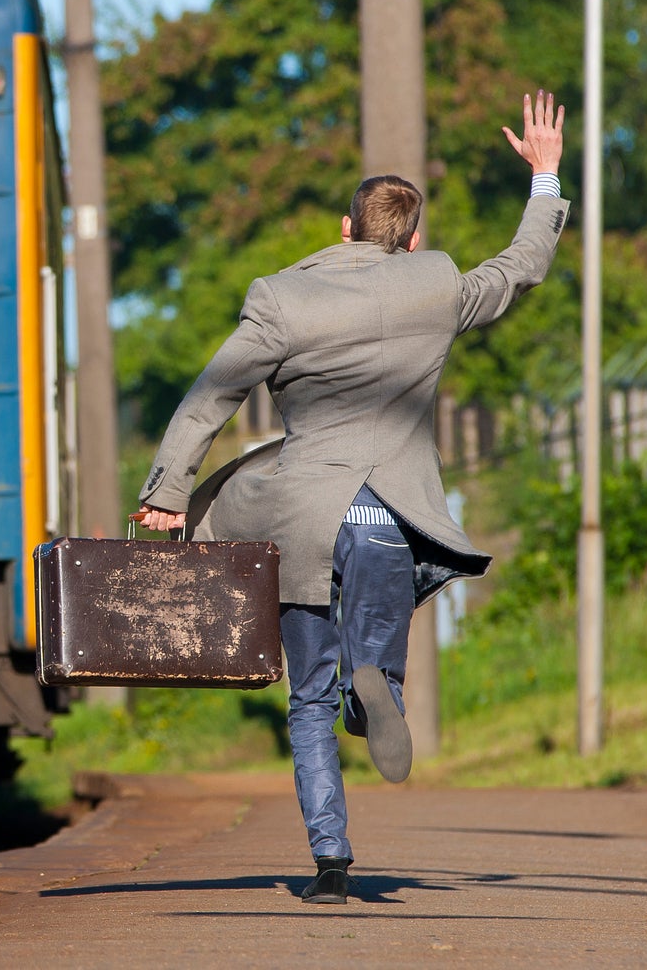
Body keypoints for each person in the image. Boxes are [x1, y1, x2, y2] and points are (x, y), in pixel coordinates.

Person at [135, 90, 568, 905]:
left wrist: (168, 491)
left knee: (304, 700)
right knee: (373, 654)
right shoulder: (434, 285)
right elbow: (520, 270)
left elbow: (211, 396)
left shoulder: (280, 298)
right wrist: (543, 177)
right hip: (389, 518)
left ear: (344, 228)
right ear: (413, 239)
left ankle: (331, 863)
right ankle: (376, 699)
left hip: (302, 518)